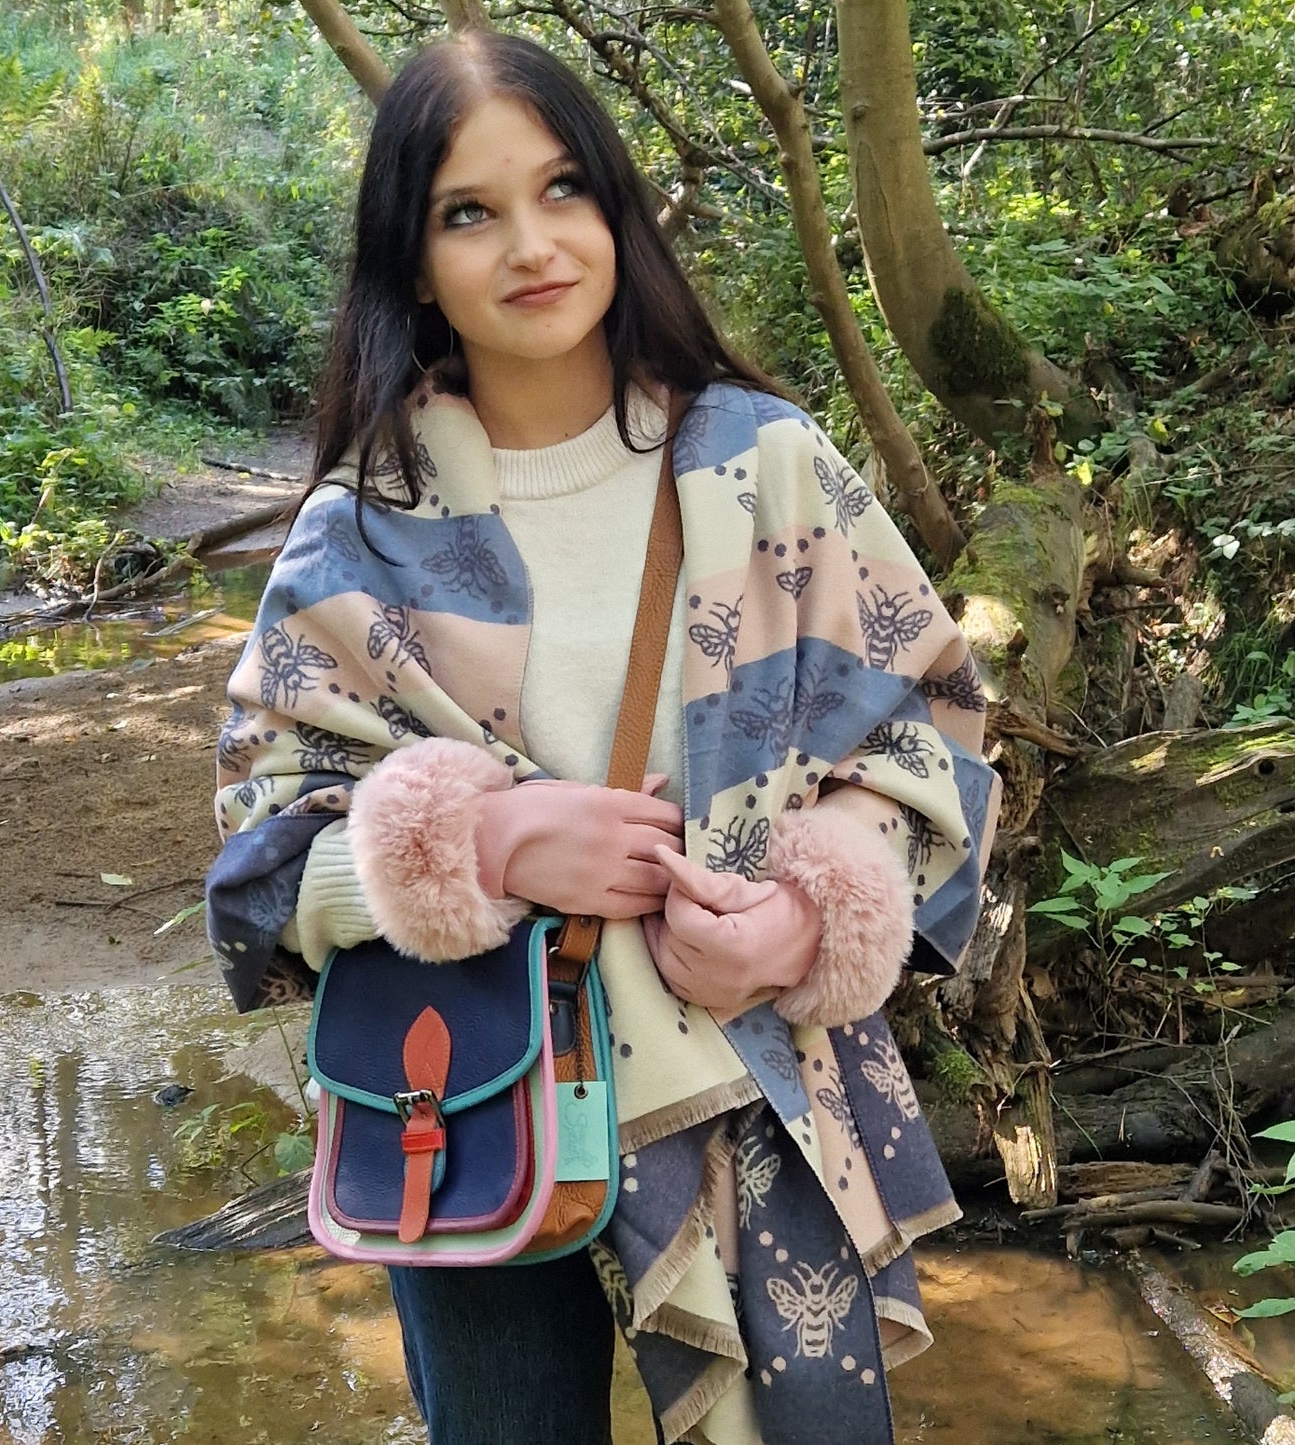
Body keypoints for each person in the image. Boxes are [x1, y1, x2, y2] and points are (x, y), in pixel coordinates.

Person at [205, 30, 1000, 1445]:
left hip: (753, 1074)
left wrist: (806, 916)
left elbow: (930, 738)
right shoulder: (359, 534)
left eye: (562, 188)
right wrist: (482, 841)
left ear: (617, 209)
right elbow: (263, 866)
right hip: (467, 1086)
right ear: (412, 256)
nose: (529, 243)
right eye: (468, 211)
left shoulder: (764, 468)